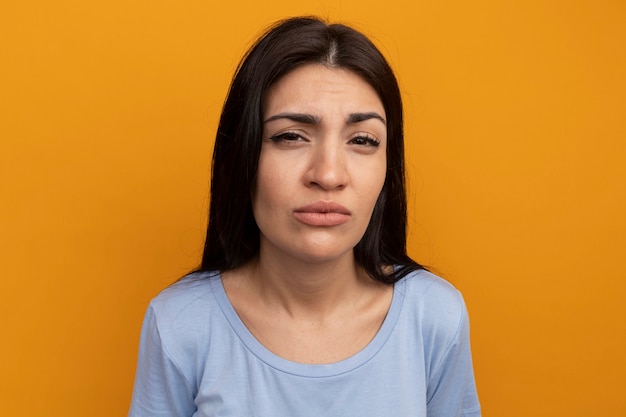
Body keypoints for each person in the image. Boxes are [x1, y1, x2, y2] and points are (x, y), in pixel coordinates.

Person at [129, 16, 480, 417]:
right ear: (243, 156)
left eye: (363, 140)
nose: (328, 175)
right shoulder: (179, 324)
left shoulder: (434, 317)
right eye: (291, 136)